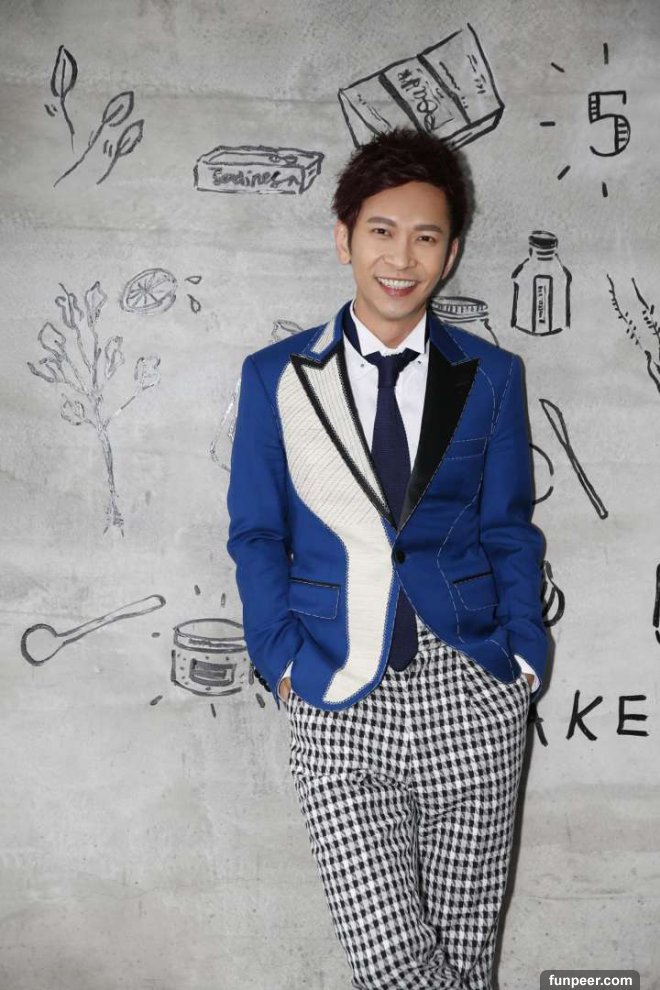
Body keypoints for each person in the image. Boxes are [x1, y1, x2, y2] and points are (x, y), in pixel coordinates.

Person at [226, 126, 547, 990]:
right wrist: (281, 660)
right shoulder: (277, 376)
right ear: (345, 238)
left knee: (465, 961)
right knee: (393, 964)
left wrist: (522, 658)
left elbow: (509, 527)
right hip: (334, 686)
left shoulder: (493, 376)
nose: (402, 258)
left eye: (426, 236)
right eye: (381, 230)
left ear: (451, 254)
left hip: (471, 685)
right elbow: (256, 531)